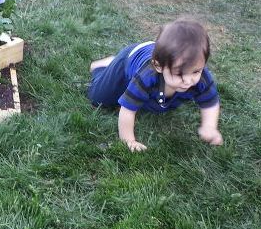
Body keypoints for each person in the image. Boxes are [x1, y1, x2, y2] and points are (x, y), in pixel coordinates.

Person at [88, 19, 223, 151]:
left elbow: (210, 101)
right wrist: (129, 140)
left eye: (196, 71)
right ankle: (103, 66)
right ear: (158, 66)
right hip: (129, 59)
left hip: (161, 58)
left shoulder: (201, 77)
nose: (188, 80)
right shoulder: (147, 76)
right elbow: (127, 109)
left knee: (154, 103)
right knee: (98, 99)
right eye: (179, 74)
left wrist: (209, 127)